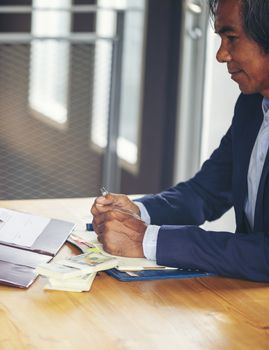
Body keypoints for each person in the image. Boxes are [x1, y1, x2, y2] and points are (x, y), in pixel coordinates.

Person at [91, 0, 269, 283]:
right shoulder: (250, 106)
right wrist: (139, 213)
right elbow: (205, 193)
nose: (221, 55)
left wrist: (148, 240)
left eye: (231, 38)